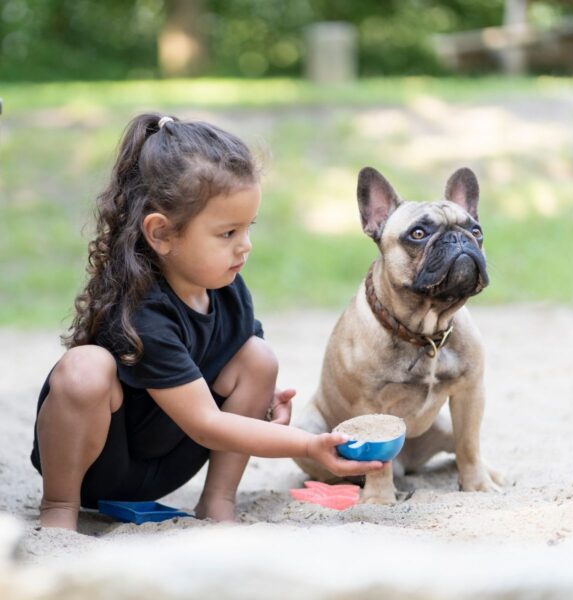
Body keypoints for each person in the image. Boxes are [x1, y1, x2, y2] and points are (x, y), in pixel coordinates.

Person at [30, 113, 383, 531]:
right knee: (84, 368)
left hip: (169, 463)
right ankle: (58, 508)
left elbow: (239, 382)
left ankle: (218, 502)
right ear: (161, 234)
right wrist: (309, 444)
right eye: (227, 233)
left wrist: (265, 407)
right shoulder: (145, 310)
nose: (245, 246)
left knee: (258, 357)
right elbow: (206, 423)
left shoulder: (227, 288)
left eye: (248, 228)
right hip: (97, 465)